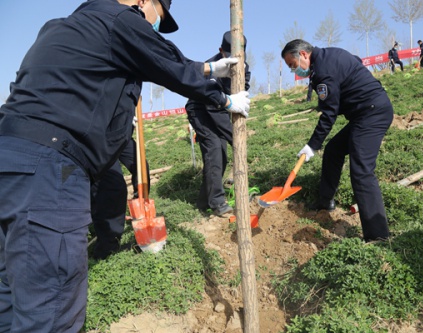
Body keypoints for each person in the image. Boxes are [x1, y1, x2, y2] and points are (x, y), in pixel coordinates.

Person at [0, 0, 250, 331]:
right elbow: (162, 61)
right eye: (156, 19)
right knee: (50, 309)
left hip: (10, 160)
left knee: (10, 292)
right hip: (50, 170)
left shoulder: (63, 27)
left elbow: (155, 57)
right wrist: (223, 99)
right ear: (144, 1)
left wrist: (207, 68)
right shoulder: (121, 20)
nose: (153, 28)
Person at [281, 39, 393, 243]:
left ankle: (378, 235)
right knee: (333, 150)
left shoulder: (323, 70)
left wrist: (312, 145)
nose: (293, 70)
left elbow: (329, 114)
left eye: (293, 65)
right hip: (363, 114)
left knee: (361, 171)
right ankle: (326, 201)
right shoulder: (327, 56)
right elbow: (354, 64)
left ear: (304, 55)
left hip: (372, 114)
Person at [186, 31, 251, 217]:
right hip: (200, 109)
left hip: (221, 108)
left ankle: (203, 200)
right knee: (214, 149)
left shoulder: (245, 69)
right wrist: (234, 137)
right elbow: (211, 104)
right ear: (221, 51)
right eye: (229, 55)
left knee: (220, 154)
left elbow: (242, 94)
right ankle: (217, 202)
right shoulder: (213, 68)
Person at [91, 137, 150, 260]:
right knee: (112, 187)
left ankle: (140, 214)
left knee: (141, 166)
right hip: (98, 136)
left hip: (118, 132)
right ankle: (107, 249)